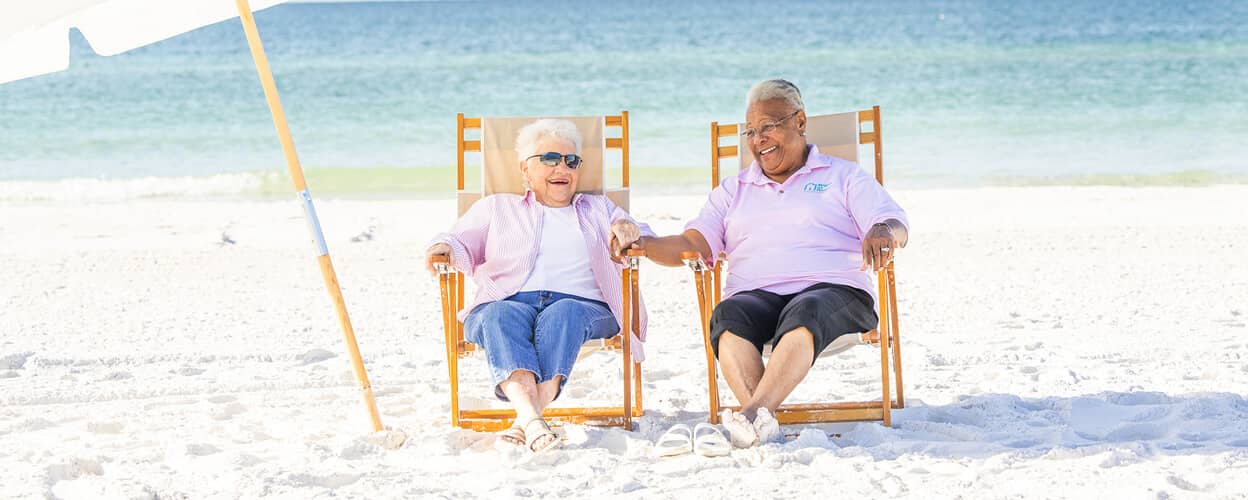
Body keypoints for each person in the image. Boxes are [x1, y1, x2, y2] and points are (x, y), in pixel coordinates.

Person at [635, 79, 909, 448]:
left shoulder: (842, 176)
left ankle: (749, 413)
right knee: (728, 316)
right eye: (750, 131)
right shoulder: (733, 190)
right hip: (757, 295)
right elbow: (693, 245)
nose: (757, 139)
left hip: (833, 292)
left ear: (799, 121)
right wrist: (645, 243)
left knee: (805, 309)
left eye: (768, 127)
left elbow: (895, 223)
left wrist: (882, 231)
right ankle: (759, 421)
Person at [426, 118, 650, 453]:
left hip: (585, 307)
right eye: (550, 159)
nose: (563, 167)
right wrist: (441, 248)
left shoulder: (599, 208)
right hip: (507, 301)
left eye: (571, 161)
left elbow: (642, 232)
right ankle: (533, 419)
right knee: (497, 316)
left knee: (565, 311)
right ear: (525, 170)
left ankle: (525, 420)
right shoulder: (497, 207)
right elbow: (456, 239)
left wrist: (627, 226)